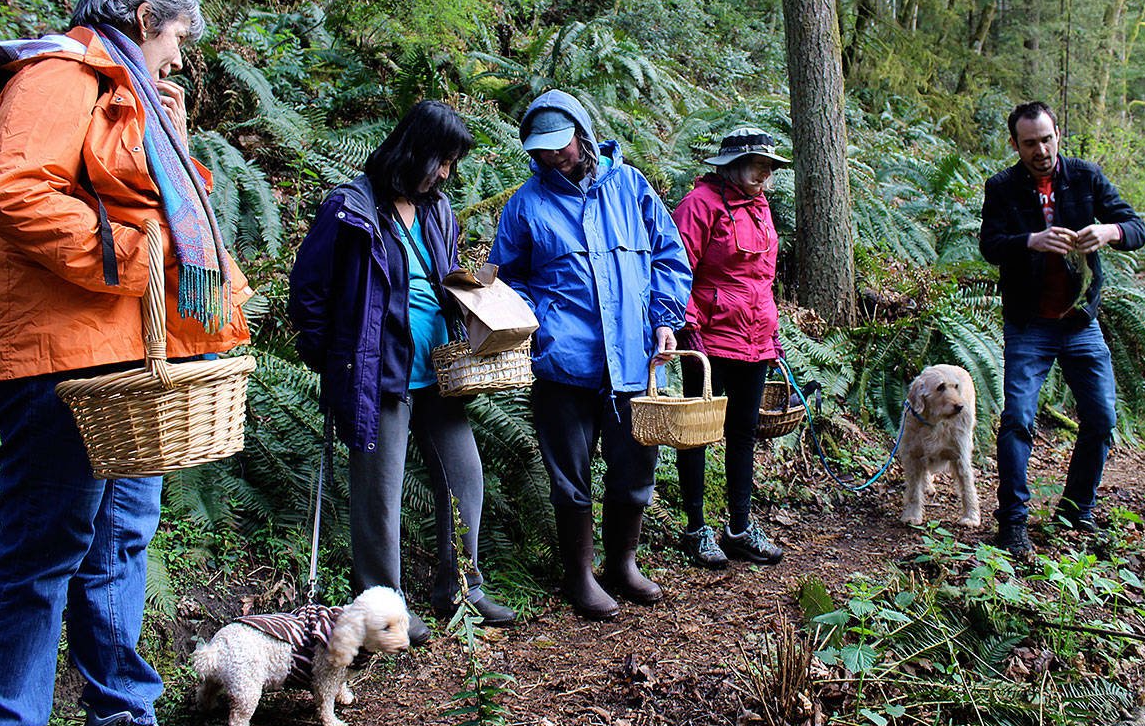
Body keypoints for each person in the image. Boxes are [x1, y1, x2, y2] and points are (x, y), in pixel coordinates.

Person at [0, 0, 254, 726]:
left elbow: (159, 209)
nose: (180, 56)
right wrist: (138, 260)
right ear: (141, 19)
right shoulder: (57, 75)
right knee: (43, 545)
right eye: (177, 38)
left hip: (128, 357)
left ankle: (123, 714)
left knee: (122, 540)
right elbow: (12, 190)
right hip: (55, 357)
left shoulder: (135, 93)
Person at [289, 100, 516, 647]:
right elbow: (308, 294)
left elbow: (448, 279)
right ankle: (385, 610)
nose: (446, 174)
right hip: (377, 374)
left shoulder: (437, 211)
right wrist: (336, 360)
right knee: (380, 496)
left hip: (438, 369)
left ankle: (461, 589)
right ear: (415, 151)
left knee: (465, 478)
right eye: (442, 161)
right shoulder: (351, 208)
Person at [488, 89, 692, 621]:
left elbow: (670, 258)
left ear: (582, 133)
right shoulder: (526, 205)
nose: (553, 156)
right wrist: (538, 324)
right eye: (542, 149)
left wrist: (666, 320)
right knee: (570, 476)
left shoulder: (630, 187)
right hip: (563, 365)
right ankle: (578, 574)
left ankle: (621, 564)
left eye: (561, 145)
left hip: (635, 361)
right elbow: (508, 282)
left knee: (635, 468)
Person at [979, 101, 1145, 556]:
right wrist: (1030, 241)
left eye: (1047, 139)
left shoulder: (1085, 176)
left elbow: (1138, 228)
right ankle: (1012, 523)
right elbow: (990, 246)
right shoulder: (1003, 187)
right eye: (1030, 142)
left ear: (1058, 135)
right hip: (1029, 323)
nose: (1041, 150)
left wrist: (1108, 232)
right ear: (1015, 145)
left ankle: (1076, 511)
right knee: (1017, 419)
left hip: (1080, 322)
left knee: (1102, 418)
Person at [672, 127, 789, 569]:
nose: (763, 176)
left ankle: (739, 527)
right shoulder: (698, 205)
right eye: (757, 167)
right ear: (734, 167)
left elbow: (761, 278)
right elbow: (677, 267)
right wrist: (686, 325)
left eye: (768, 169)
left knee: (744, 433)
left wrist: (771, 329)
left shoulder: (760, 207)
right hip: (709, 338)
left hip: (755, 339)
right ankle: (695, 528)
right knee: (697, 433)